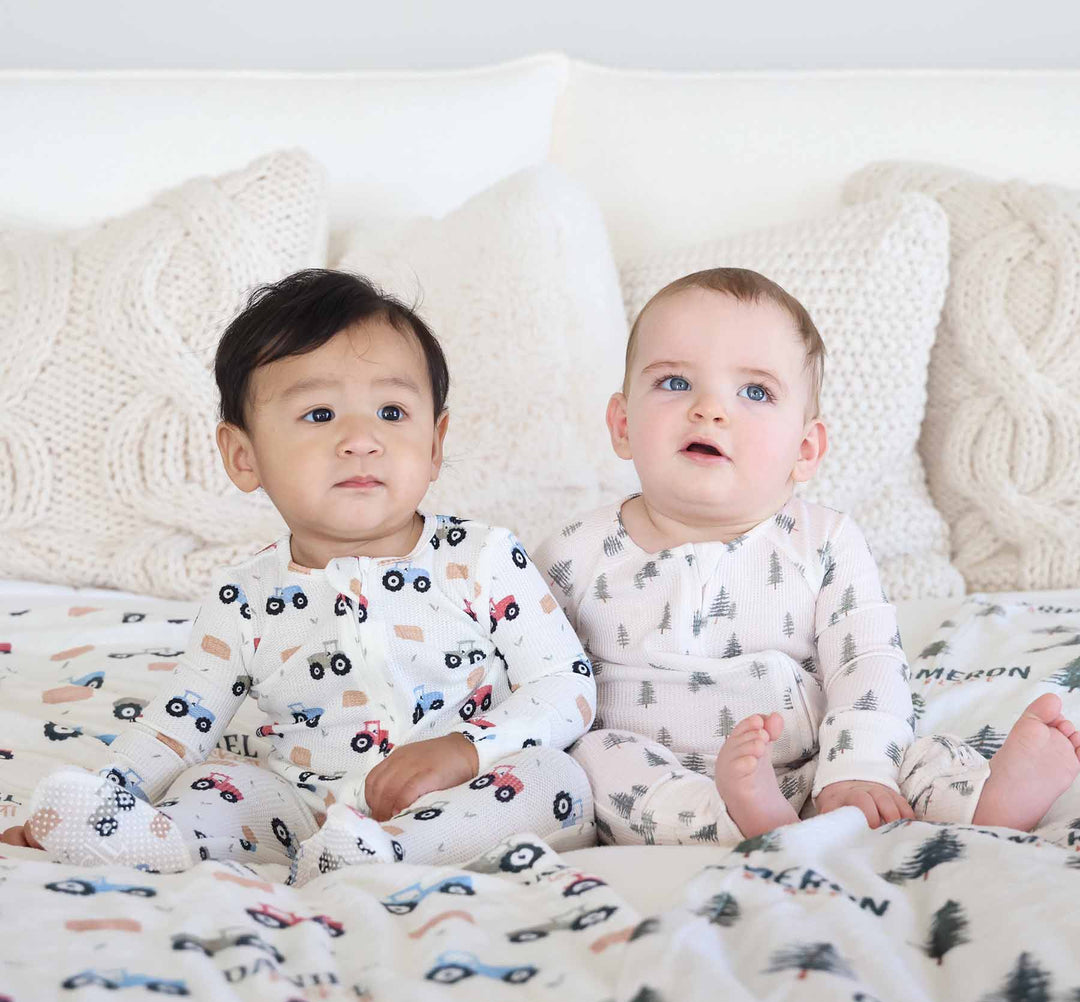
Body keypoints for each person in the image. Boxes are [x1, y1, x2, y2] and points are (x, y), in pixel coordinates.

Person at [1, 269, 595, 883]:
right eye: (319, 414)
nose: (361, 439)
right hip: (303, 804)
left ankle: (388, 851)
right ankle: (145, 839)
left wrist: (467, 749)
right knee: (216, 781)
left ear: (436, 442)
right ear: (243, 455)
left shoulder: (483, 558)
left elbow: (564, 684)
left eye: (392, 411)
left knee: (557, 778)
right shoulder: (245, 598)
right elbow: (178, 724)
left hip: (467, 784)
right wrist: (104, 797)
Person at [533, 267, 1080, 846]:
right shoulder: (574, 553)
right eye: (674, 383)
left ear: (805, 449)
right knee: (593, 759)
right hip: (659, 767)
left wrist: (857, 770)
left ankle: (985, 799)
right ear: (622, 424)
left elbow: (865, 659)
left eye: (755, 392)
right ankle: (735, 816)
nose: (710, 409)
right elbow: (530, 669)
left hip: (816, 756)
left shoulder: (823, 543)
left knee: (909, 746)